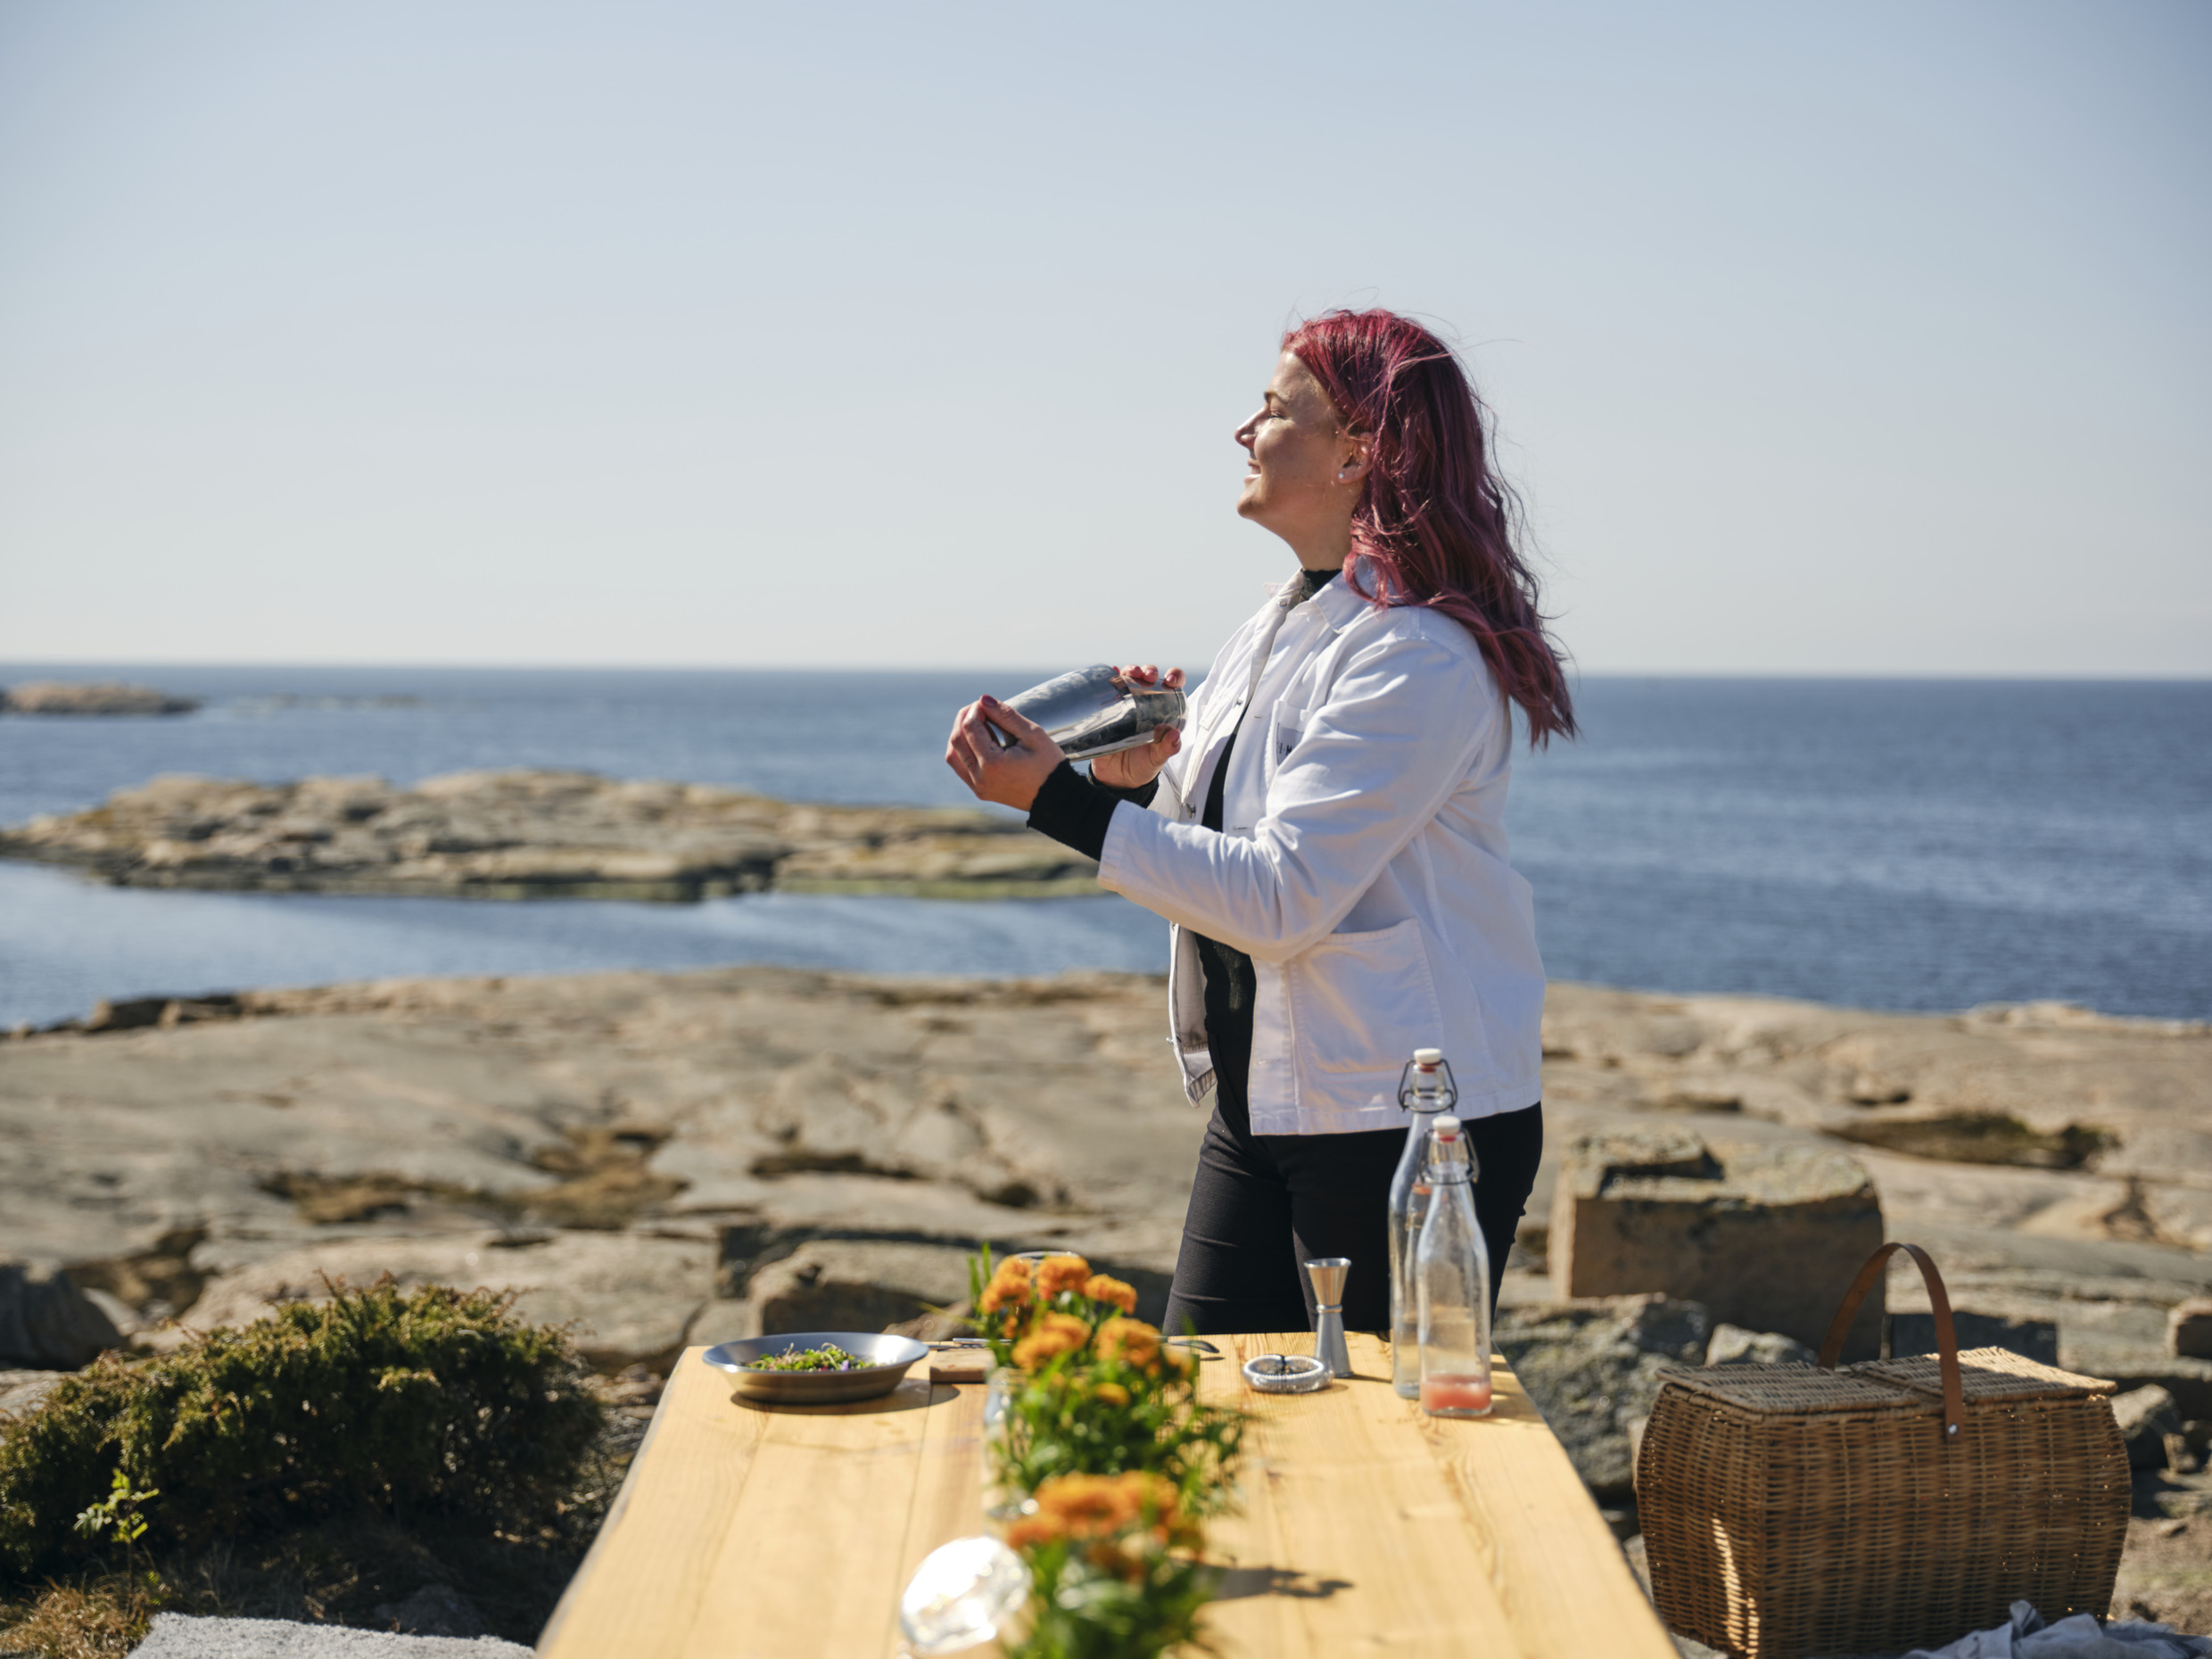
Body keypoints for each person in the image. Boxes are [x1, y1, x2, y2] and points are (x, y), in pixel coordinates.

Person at [943, 308, 1574, 1335]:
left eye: (1277, 410)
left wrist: (1054, 802)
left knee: (1374, 1461)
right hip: (1265, 1104)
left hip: (1401, 1129)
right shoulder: (1276, 622)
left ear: (1358, 452)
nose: (1245, 431)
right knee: (1215, 1422)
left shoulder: (1412, 653)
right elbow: (1223, 862)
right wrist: (1133, 790)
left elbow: (1281, 901)